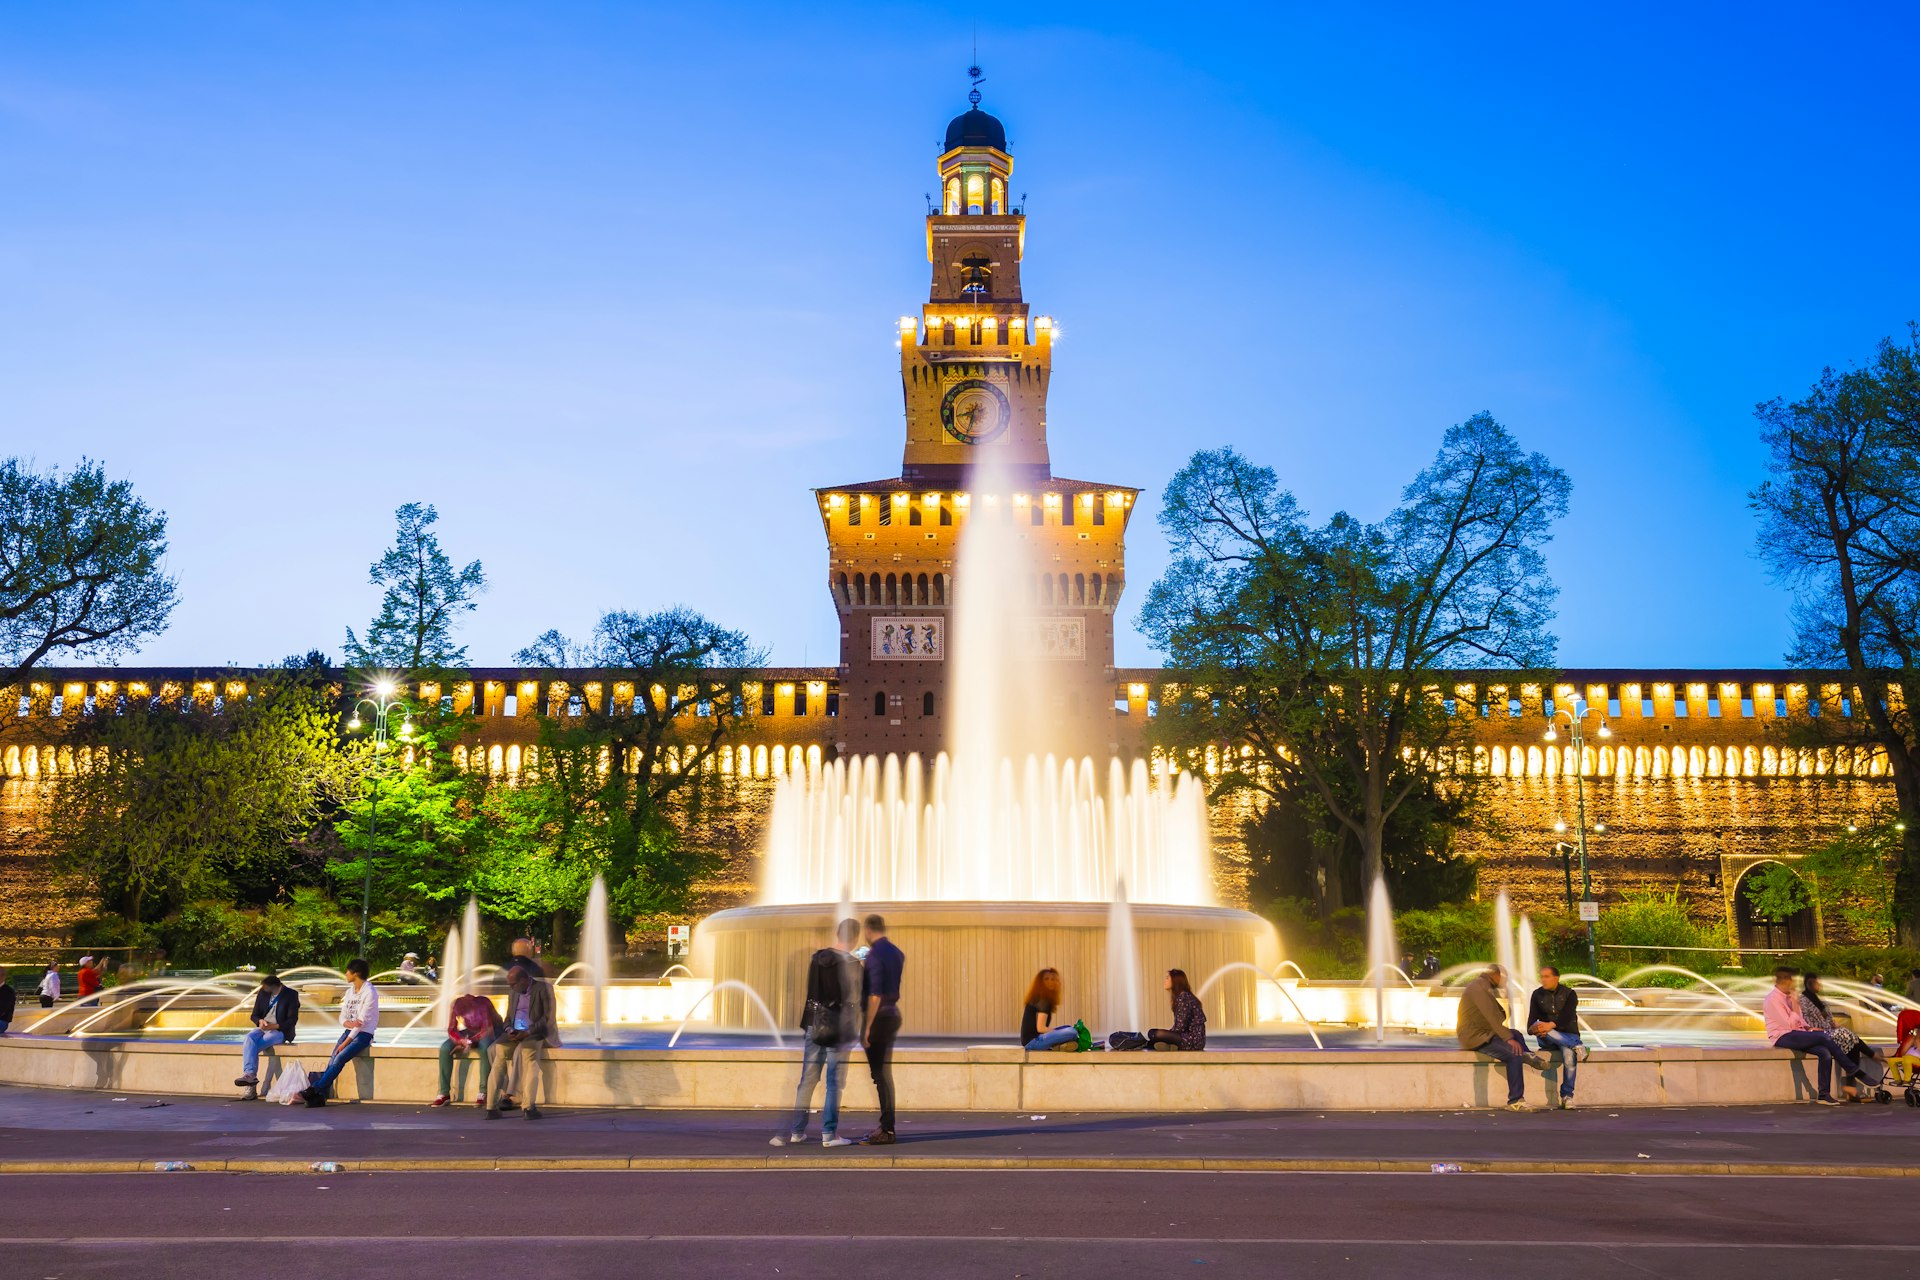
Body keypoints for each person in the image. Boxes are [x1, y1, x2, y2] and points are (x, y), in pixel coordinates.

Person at [774, 917, 863, 1148]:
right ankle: (829, 1134)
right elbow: (856, 1000)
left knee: (807, 1079)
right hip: (839, 1029)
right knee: (834, 1082)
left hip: (814, 1023)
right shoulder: (853, 964)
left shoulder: (817, 959)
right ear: (855, 938)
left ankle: (796, 1131)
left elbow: (811, 992)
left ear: (837, 934)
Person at [1457, 963, 1547, 1111]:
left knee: (1516, 1034)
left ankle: (1528, 1055)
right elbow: (1492, 1017)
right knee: (1514, 1054)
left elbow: (1498, 1017)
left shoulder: (1484, 987)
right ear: (1495, 975)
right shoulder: (1479, 988)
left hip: (1484, 1033)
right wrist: (1507, 1039)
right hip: (1475, 1037)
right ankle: (1515, 1101)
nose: (1505, 980)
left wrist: (1505, 995)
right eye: (1504, 977)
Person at [1765, 966, 1853, 1105]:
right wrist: (1795, 1005)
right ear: (1785, 981)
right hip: (1782, 1036)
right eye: (1792, 981)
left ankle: (1824, 1095)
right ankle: (1850, 1067)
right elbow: (1789, 1025)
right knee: (1824, 1036)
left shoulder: (1788, 997)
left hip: (1797, 1034)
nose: (1794, 985)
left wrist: (1810, 1028)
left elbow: (1800, 1021)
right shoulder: (1773, 1000)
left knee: (1825, 1053)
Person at [301, 958, 379, 1106]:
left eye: (348, 971)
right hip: (348, 1031)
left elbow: (361, 1022)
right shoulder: (350, 991)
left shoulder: (370, 992)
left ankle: (314, 1088)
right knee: (333, 1059)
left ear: (356, 973)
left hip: (363, 1035)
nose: (345, 974)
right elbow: (342, 1015)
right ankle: (319, 1098)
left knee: (339, 1058)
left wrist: (346, 1042)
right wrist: (347, 1023)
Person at [485, 963, 554, 1121]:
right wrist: (509, 1030)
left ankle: (528, 1108)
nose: (511, 987)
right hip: (514, 1033)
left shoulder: (544, 988)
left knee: (529, 1059)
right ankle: (491, 1107)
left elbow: (548, 1018)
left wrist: (528, 1031)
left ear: (524, 980)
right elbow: (508, 1018)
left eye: (513, 984)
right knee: (498, 1057)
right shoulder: (513, 992)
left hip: (534, 1032)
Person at [859, 913, 904, 1146]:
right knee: (883, 1074)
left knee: (880, 1075)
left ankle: (887, 1130)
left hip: (879, 1018)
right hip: (893, 1014)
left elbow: (875, 995)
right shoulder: (896, 952)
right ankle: (886, 1126)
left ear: (868, 930)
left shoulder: (875, 955)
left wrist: (867, 1027)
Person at [1526, 965, 1587, 1108]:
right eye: (1541, 977)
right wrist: (1535, 1028)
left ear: (1556, 978)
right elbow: (1530, 1023)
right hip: (1547, 1037)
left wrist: (1550, 1025)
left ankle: (1567, 1096)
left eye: (1546, 977)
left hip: (1567, 1033)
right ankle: (1576, 1045)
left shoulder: (1570, 994)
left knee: (1569, 1056)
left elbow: (1567, 1016)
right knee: (1544, 1028)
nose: (1543, 980)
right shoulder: (1537, 995)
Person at [234, 974, 301, 1097]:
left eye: (266, 987)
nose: (263, 989)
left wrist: (274, 1026)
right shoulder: (263, 993)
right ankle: (250, 1075)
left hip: (279, 1031)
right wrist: (260, 1021)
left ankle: (250, 1082)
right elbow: (254, 1015)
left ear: (274, 986)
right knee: (249, 1038)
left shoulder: (291, 995)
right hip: (263, 1027)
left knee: (253, 1046)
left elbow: (292, 1020)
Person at [434, 989, 503, 1107]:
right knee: (445, 1048)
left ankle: (483, 1092)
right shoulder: (457, 1005)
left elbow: (486, 1029)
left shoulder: (483, 1004)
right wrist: (461, 1040)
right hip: (473, 1031)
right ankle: (444, 1093)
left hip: (492, 1030)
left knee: (484, 1047)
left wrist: (469, 1042)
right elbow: (451, 1029)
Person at [1800, 973, 1877, 1075]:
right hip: (1817, 1034)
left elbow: (1828, 1017)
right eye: (1818, 983)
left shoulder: (1817, 999)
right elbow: (1803, 1020)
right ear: (1810, 984)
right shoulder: (1803, 1000)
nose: (1820, 986)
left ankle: (1851, 1082)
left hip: (1828, 1031)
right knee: (1848, 1036)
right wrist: (1814, 1028)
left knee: (1851, 1043)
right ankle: (1871, 1055)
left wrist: (1833, 1023)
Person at [1147, 970, 1207, 1050]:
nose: (1165, 981)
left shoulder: (1183, 998)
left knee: (1153, 1033)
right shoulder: (1183, 996)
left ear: (1175, 980)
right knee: (1156, 1036)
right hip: (1195, 1040)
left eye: (1167, 978)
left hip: (1192, 1041)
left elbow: (1180, 1027)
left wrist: (1167, 1036)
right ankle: (1170, 1047)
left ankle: (1161, 1044)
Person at [1021, 968, 1078, 1051]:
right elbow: (1041, 1028)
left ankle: (1059, 1046)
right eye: (1046, 979)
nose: (1050, 982)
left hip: (1033, 1041)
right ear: (1040, 982)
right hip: (1034, 1042)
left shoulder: (1039, 998)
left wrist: (1058, 1032)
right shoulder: (1043, 1001)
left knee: (1067, 1027)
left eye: (1053, 979)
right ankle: (1060, 1044)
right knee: (1072, 1032)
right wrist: (1057, 1032)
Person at [0, 967, 15, 1034]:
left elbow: (2, 1009)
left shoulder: (8, 991)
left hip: (2, 1021)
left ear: (4, 976)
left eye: (2, 974)